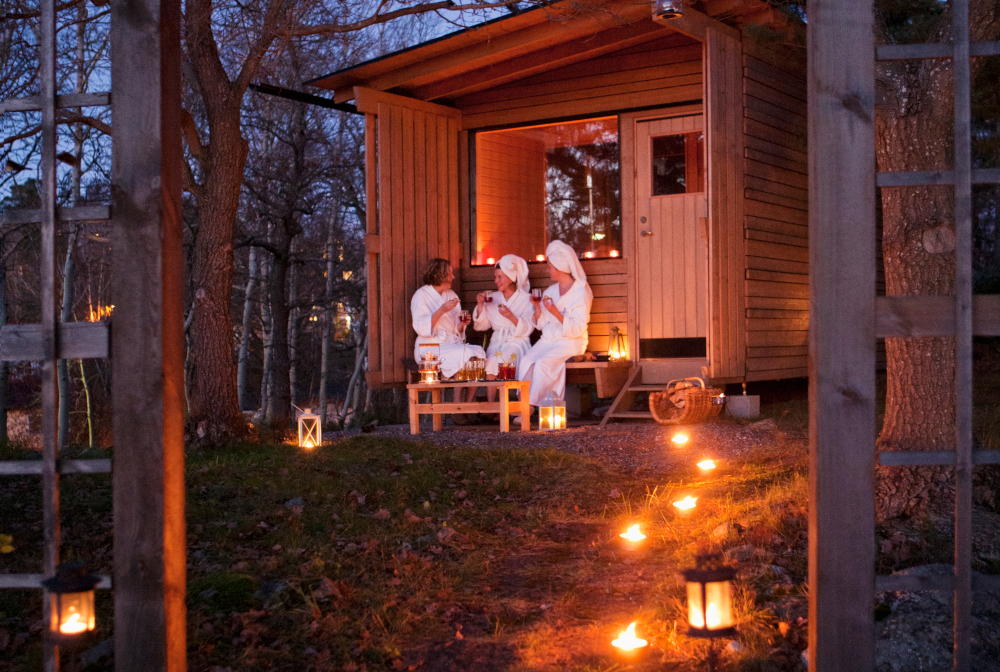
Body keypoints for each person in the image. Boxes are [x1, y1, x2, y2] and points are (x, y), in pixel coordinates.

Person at [518, 240, 594, 409]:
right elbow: (541, 324)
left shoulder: (580, 292)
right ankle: (522, 403)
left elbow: (577, 329)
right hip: (548, 340)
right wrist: (537, 308)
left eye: (550, 266)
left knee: (544, 362)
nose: (547, 270)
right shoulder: (550, 291)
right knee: (527, 360)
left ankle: (531, 405)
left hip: (570, 341)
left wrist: (556, 313)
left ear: (560, 267)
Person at [472, 254, 535, 402]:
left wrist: (511, 317)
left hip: (517, 341)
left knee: (498, 361)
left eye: (500, 277)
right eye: (495, 277)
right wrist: (481, 306)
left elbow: (529, 328)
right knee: (489, 361)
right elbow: (482, 326)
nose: (496, 281)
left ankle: (500, 405)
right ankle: (492, 406)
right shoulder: (492, 297)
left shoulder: (526, 299)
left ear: (512, 277)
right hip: (497, 341)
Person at [411, 258, 484, 381]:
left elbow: (455, 328)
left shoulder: (451, 295)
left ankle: (467, 400)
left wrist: (461, 324)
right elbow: (420, 327)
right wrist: (441, 310)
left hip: (450, 344)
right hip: (429, 347)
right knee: (465, 354)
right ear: (439, 275)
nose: (453, 277)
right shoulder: (421, 295)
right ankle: (458, 400)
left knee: (478, 352)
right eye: (450, 273)